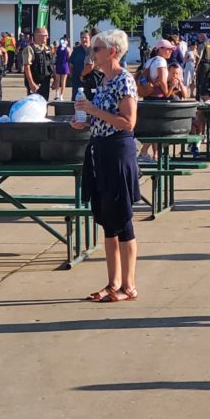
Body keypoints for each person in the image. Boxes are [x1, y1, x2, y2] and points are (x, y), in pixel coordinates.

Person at [73, 29, 141, 303]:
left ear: (112, 51)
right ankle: (113, 283)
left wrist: (92, 111)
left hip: (117, 151)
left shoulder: (124, 80)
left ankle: (129, 285)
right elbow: (103, 118)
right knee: (107, 221)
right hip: (100, 149)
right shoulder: (103, 80)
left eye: (97, 49)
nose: (93, 54)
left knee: (122, 219)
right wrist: (84, 121)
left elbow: (127, 122)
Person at [22, 27, 54, 99]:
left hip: (45, 82)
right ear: (37, 36)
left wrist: (55, 80)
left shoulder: (47, 49)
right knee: (34, 105)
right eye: (45, 35)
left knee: (44, 104)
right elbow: (27, 67)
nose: (47, 37)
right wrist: (31, 83)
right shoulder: (30, 49)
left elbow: (51, 64)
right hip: (35, 82)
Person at [68, 31, 91, 100]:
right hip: (77, 81)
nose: (84, 40)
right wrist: (71, 75)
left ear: (89, 38)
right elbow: (71, 64)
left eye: (85, 38)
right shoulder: (76, 50)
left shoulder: (93, 50)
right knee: (76, 102)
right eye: (82, 38)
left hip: (90, 81)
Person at [53, 36, 71, 101]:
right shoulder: (68, 49)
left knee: (57, 80)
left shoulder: (58, 48)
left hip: (59, 64)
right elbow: (69, 58)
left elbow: (55, 57)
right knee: (63, 81)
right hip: (64, 65)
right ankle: (61, 95)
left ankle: (57, 94)